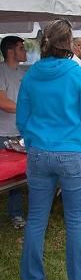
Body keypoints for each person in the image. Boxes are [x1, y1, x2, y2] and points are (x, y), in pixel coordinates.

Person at [16, 19, 81, 280]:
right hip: (73, 153)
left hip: (39, 153)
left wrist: (36, 136)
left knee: (36, 219)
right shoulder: (78, 75)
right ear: (69, 43)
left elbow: (21, 121)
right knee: (75, 221)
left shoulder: (31, 75)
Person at [0, 35, 28, 229]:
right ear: (11, 51)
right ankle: (16, 214)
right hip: (3, 133)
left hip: (20, 132)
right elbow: (3, 103)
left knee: (18, 177)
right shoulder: (1, 71)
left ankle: (16, 214)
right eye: (21, 48)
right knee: (7, 177)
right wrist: (27, 109)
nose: (25, 51)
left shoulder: (22, 72)